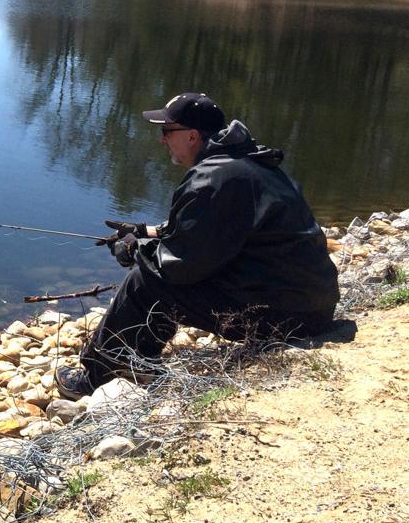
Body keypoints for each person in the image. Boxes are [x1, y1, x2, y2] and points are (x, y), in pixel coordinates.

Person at [58, 92, 340, 398]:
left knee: (146, 282)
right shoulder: (248, 163)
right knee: (161, 273)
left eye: (167, 131)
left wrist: (133, 250)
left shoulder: (212, 179)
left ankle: (97, 376)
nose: (162, 139)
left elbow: (179, 266)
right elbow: (212, 231)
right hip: (313, 306)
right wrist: (145, 232)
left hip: (285, 319)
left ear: (192, 136)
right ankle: (139, 362)